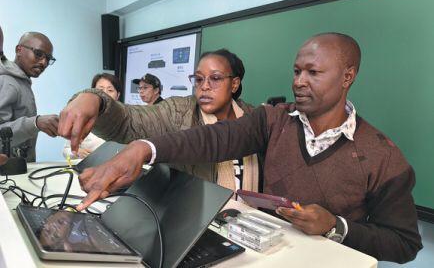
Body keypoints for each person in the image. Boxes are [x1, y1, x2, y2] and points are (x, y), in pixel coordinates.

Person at [69, 33, 422, 263]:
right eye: (296, 71)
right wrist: (143, 149)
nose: (299, 82)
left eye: (313, 73)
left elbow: (404, 245)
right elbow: (212, 138)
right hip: (267, 254)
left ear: (347, 76)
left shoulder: (382, 157)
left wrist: (336, 226)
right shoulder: (273, 120)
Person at [59, 49, 261, 192]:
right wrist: (96, 99)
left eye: (215, 78)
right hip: (198, 222)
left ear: (234, 84)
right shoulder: (178, 111)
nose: (205, 86)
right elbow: (129, 122)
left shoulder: (254, 118)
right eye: (199, 79)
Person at [0, 31, 59, 162]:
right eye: (38, 54)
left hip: (17, 174)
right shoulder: (6, 81)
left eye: (48, 58)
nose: (44, 62)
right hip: (6, 177)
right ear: (19, 50)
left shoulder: (21, 81)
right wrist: (35, 123)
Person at [62, 73, 122, 159]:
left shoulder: (124, 121)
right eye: (100, 90)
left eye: (110, 90)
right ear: (93, 93)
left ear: (118, 95)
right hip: (87, 169)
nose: (105, 94)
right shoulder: (82, 118)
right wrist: (77, 152)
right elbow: (66, 150)